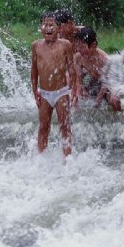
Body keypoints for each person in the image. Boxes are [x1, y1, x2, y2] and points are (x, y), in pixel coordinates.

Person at [31, 12, 78, 156]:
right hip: (44, 94)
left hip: (61, 92)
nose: (48, 27)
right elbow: (34, 69)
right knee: (43, 126)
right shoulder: (36, 46)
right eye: (45, 24)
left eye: (52, 25)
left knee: (65, 126)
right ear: (40, 27)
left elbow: (72, 68)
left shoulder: (65, 45)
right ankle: (41, 157)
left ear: (58, 28)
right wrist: (35, 91)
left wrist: (74, 91)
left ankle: (67, 158)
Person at [73, 27, 121, 111]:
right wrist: (80, 92)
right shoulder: (78, 57)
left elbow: (106, 82)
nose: (78, 49)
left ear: (93, 45)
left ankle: (118, 118)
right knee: (72, 97)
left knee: (115, 99)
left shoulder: (103, 59)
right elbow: (78, 80)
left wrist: (98, 100)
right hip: (92, 84)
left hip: (107, 85)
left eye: (81, 47)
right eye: (77, 46)